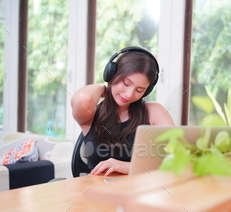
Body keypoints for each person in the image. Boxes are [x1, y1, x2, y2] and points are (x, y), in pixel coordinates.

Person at [71, 46, 175, 176]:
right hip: (99, 190)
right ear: (112, 73)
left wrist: (128, 167)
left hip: (140, 190)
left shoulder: (154, 111)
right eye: (126, 83)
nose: (129, 94)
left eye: (139, 90)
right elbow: (84, 99)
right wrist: (103, 88)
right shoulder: (90, 114)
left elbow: (178, 157)